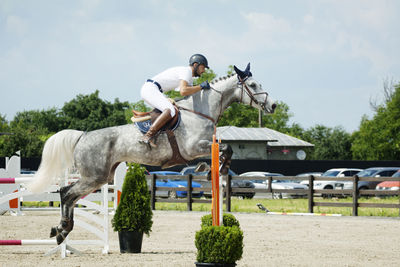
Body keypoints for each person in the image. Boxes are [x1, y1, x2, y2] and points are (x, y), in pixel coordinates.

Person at [139, 54, 211, 147]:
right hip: (151, 89)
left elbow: (188, 94)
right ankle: (148, 136)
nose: (204, 70)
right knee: (170, 110)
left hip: (154, 89)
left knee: (172, 108)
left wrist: (201, 88)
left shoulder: (189, 77)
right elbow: (183, 91)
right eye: (203, 67)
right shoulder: (187, 71)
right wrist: (201, 86)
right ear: (195, 64)